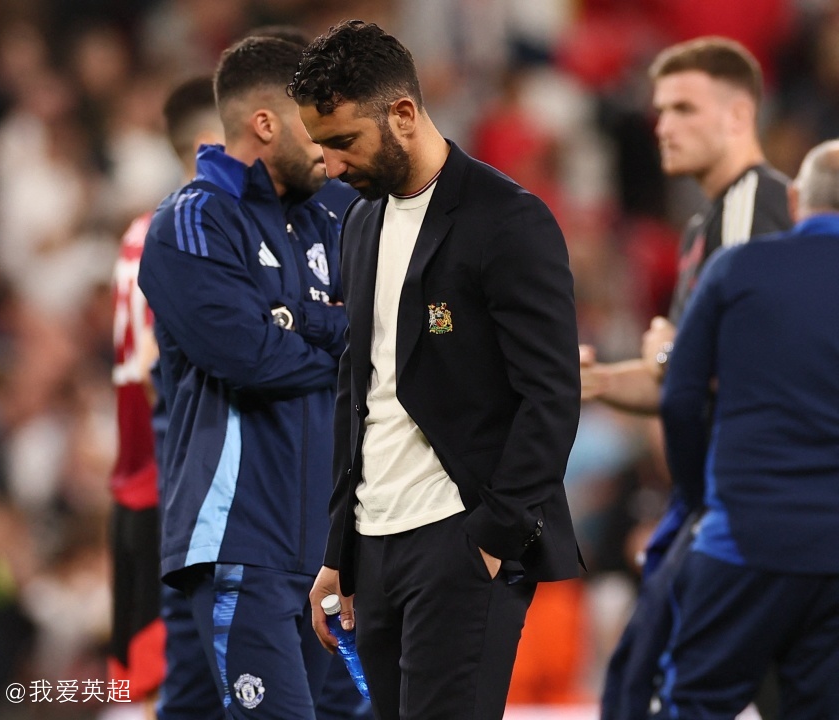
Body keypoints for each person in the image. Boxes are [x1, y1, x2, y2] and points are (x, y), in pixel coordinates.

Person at [289, 20, 582, 720]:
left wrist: (495, 537)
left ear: (403, 113)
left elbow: (551, 395)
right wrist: (339, 550)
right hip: (374, 544)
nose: (332, 166)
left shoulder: (507, 219)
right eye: (322, 146)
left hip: (459, 538)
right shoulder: (360, 224)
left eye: (343, 141)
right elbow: (358, 392)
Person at [579, 37, 793, 720]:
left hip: (756, 501)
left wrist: (674, 357)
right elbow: (676, 377)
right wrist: (594, 381)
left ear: (739, 115)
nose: (663, 126)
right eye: (660, 110)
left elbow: (750, 367)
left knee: (652, 684)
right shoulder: (705, 223)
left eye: (683, 108)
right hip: (727, 502)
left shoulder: (758, 207)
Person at [138, 36, 349, 720]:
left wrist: (297, 321)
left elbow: (385, 334)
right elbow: (250, 358)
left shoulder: (330, 217)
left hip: (323, 546)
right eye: (314, 121)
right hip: (238, 536)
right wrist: (339, 342)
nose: (329, 141)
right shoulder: (191, 221)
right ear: (265, 123)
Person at [654, 138, 839, 719]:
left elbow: (680, 399)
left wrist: (697, 496)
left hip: (743, 536)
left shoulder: (736, 268)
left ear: (794, 199)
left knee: (695, 702)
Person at [108, 74, 223, 719]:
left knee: (167, 695)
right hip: (177, 496)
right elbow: (165, 375)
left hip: (140, 492)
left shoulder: (140, 230)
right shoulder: (189, 234)